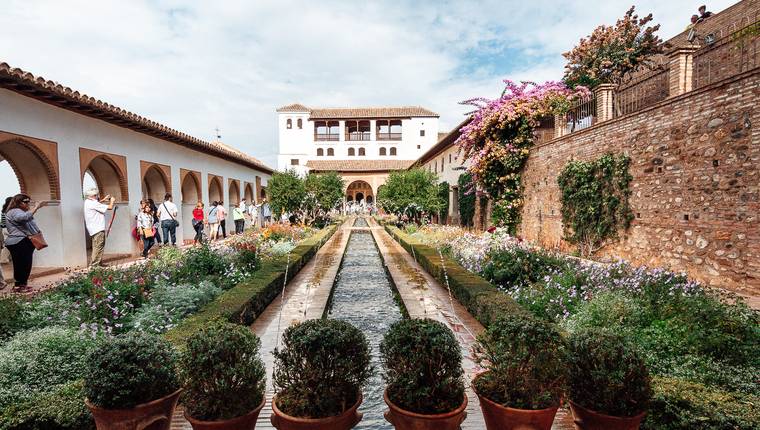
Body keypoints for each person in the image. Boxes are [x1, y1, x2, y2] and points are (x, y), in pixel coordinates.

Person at [5, 194, 48, 292]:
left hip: (23, 241)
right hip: (18, 241)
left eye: (29, 201)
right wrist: (36, 207)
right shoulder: (14, 211)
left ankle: (22, 284)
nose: (28, 203)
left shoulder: (19, 211)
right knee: (21, 264)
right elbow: (24, 217)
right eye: (25, 202)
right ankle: (19, 286)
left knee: (25, 264)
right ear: (18, 202)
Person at [84, 189, 115, 267]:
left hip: (93, 229)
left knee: (96, 246)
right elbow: (110, 207)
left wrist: (103, 200)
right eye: (96, 195)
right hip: (98, 228)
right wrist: (112, 201)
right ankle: (94, 265)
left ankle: (98, 263)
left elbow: (97, 204)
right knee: (98, 247)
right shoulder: (93, 203)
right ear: (92, 196)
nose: (97, 196)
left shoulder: (87, 202)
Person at [0, 197, 11, 289]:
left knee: (7, 245)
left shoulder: (3, 210)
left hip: (3, 229)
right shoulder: (9, 210)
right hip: (7, 229)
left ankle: (4, 258)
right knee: (8, 245)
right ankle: (3, 258)